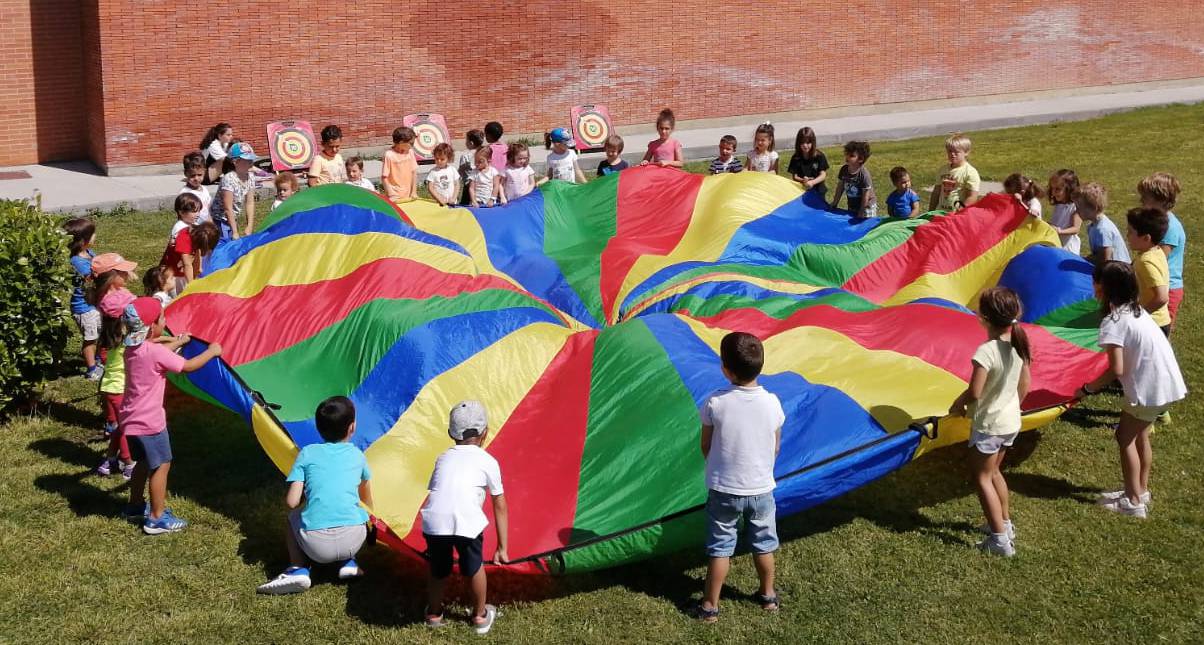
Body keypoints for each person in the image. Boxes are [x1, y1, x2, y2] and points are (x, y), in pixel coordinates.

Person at [1076, 262, 1186, 518]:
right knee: (1140, 436)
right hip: (1166, 385)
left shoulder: (1114, 321)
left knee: (1124, 437)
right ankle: (1139, 490)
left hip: (1149, 390)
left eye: (1095, 282)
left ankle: (1133, 502)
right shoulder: (1137, 311)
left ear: (1103, 288)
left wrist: (1088, 389)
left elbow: (1116, 368)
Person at [695, 332, 783, 623]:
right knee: (764, 544)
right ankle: (768, 595)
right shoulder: (772, 402)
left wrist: (717, 465)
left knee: (721, 548)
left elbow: (706, 445)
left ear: (725, 369)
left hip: (724, 489)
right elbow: (775, 445)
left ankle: (710, 606)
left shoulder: (715, 402)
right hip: (761, 490)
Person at [119, 297, 222, 534]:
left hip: (130, 418)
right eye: (162, 318)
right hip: (150, 421)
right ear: (153, 326)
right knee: (161, 465)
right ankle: (156, 518)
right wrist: (212, 352)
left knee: (142, 462)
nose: (165, 322)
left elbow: (155, 349)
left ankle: (135, 505)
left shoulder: (131, 349)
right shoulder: (154, 352)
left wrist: (178, 341)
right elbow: (187, 366)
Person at [256, 396, 374, 595]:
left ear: (317, 428)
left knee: (293, 517)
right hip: (354, 539)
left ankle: (297, 568)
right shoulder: (358, 456)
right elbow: (367, 502)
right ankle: (348, 562)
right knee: (354, 511)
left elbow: (292, 502)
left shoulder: (307, 454)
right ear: (352, 427)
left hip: (316, 547)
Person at [948, 287, 1032, 557]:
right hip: (1010, 421)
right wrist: (1014, 404)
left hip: (990, 425)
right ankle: (1004, 524)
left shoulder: (987, 351)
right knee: (995, 472)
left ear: (983, 317)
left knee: (982, 477)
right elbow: (1025, 383)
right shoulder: (1018, 343)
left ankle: (999, 540)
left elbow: (975, 391)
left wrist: (959, 403)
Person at [421, 400, 509, 635]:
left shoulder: (442, 458)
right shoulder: (488, 461)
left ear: (451, 433)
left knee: (438, 568)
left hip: (434, 522)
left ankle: (434, 613)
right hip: (468, 522)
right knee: (473, 567)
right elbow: (499, 504)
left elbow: (437, 492)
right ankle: (480, 616)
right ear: (485, 432)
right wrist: (502, 548)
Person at [1137, 173, 1185, 325]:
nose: (1141, 200)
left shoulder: (1170, 228)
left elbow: (1159, 258)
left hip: (1167, 287)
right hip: (1154, 282)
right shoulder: (1158, 222)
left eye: (1145, 197)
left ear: (1162, 200)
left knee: (1160, 329)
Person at [94, 307, 134, 480]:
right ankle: (128, 463)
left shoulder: (107, 341)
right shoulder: (126, 343)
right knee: (126, 427)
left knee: (118, 425)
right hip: (119, 390)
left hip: (109, 388)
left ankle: (109, 460)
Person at [65, 217, 103, 380]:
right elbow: (94, 278)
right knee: (90, 339)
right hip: (84, 308)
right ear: (82, 241)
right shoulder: (77, 262)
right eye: (92, 234)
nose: (95, 236)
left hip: (93, 304)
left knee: (98, 334)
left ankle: (98, 360)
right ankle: (92, 369)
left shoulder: (89, 253)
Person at [1125, 207, 1172, 336]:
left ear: (1146, 238)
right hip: (1159, 321)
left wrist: (1139, 315)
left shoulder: (1145, 261)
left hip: (1153, 323)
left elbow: (1162, 297)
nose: (1127, 236)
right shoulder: (1157, 251)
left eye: (1130, 232)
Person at [209, 142, 257, 241]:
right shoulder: (229, 179)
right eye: (247, 160)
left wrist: (249, 226)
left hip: (232, 218)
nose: (251, 163)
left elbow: (250, 203)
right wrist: (235, 232)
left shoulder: (251, 177)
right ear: (235, 162)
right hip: (220, 219)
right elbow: (228, 208)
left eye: (251, 160)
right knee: (226, 243)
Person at [1079, 182, 1129, 267]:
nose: (1077, 210)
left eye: (1080, 207)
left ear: (1094, 208)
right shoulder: (1092, 226)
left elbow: (1106, 260)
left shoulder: (1103, 230)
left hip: (1118, 270)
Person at [160, 193, 202, 294]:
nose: (197, 214)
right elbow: (186, 262)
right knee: (179, 296)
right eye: (193, 211)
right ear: (181, 212)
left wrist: (198, 267)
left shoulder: (193, 225)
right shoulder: (182, 230)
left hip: (185, 270)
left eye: (198, 210)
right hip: (176, 273)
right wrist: (191, 285)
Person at [929, 133, 980, 212]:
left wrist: (960, 211)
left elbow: (972, 197)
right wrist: (930, 211)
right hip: (940, 213)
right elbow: (936, 192)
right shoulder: (943, 169)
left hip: (958, 215)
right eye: (949, 151)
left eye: (956, 151)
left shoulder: (970, 172)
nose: (952, 154)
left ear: (966, 152)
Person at [831, 141, 876, 218]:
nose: (847, 157)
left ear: (860, 159)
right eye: (847, 154)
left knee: (864, 223)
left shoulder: (864, 174)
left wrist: (862, 210)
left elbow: (866, 195)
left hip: (867, 206)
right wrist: (835, 203)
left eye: (851, 156)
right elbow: (840, 188)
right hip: (853, 204)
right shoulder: (844, 170)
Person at [1048, 169, 1082, 254]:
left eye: (1058, 189)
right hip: (1057, 245)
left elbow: (1076, 229)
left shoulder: (1075, 207)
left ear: (1069, 189)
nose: (1053, 192)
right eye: (1052, 188)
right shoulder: (1059, 205)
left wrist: (1060, 231)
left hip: (1068, 249)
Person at [786, 126, 829, 196]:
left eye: (808, 142)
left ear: (813, 142)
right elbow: (795, 176)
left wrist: (812, 182)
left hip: (818, 191)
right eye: (802, 143)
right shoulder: (795, 158)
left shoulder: (819, 156)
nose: (805, 145)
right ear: (798, 143)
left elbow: (823, 175)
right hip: (801, 191)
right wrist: (803, 180)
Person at [381, 126, 419, 202]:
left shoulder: (410, 152)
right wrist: (391, 194)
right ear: (401, 142)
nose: (412, 146)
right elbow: (384, 177)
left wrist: (414, 191)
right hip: (395, 197)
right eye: (411, 143)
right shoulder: (389, 155)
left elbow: (414, 172)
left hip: (408, 195)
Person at [425, 143, 461, 207]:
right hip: (438, 203)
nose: (439, 161)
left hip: (452, 202)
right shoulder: (433, 172)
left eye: (442, 159)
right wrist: (439, 199)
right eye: (437, 158)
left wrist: (454, 198)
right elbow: (430, 187)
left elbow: (457, 185)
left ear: (448, 159)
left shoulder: (452, 170)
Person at [180, 153, 213, 223]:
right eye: (192, 175)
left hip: (206, 224)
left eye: (199, 175)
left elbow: (208, 208)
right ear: (186, 173)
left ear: (205, 171)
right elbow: (183, 216)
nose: (196, 178)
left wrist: (210, 221)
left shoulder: (204, 189)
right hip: (194, 226)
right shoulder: (185, 193)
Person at [458, 129, 486, 204]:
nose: (465, 143)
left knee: (466, 205)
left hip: (468, 185)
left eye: (466, 140)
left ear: (471, 143)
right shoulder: (484, 153)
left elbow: (461, 171)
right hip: (482, 184)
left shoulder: (465, 156)